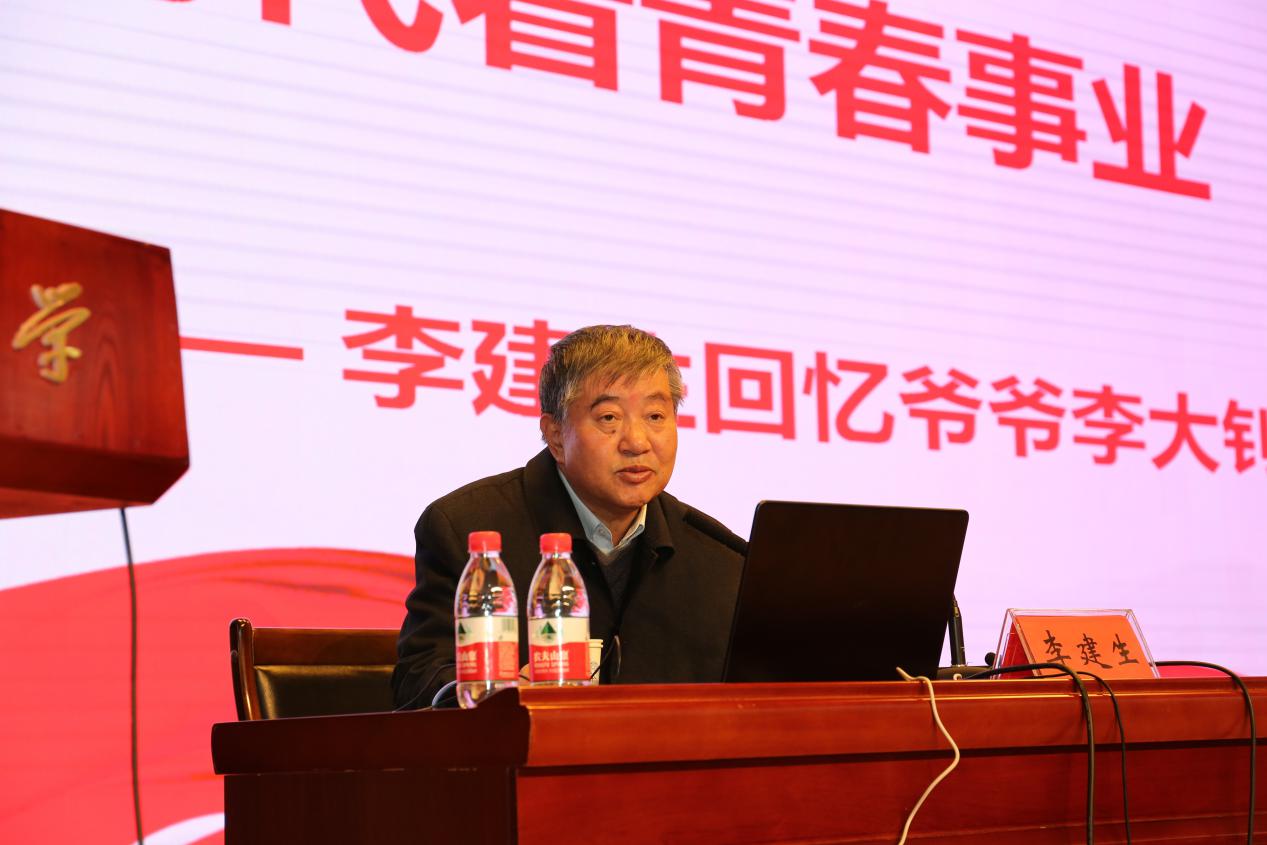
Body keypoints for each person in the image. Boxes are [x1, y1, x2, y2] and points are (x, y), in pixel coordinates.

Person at [392, 325, 747, 709]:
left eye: (656, 416)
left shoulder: (722, 560)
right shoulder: (465, 528)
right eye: (609, 418)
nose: (637, 442)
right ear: (556, 435)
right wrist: (496, 698)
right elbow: (419, 681)